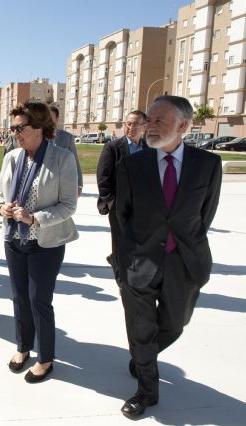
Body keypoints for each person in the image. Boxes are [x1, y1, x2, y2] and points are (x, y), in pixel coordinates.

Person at [115, 96, 222, 418]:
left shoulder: (208, 164)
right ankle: (147, 390)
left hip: (185, 262)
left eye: (160, 120)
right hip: (141, 261)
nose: (151, 125)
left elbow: (205, 216)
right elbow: (122, 217)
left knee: (176, 324)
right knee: (140, 328)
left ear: (183, 126)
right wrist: (124, 262)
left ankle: (142, 356)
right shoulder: (132, 165)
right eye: (150, 119)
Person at [0, 101, 78, 383]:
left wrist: (35, 218)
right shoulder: (12, 157)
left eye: (20, 128)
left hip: (46, 241)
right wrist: (0, 208)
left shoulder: (62, 158)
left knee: (39, 300)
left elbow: (68, 205)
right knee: (19, 298)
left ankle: (45, 359)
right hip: (14, 239)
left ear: (40, 128)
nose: (15, 133)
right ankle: (23, 347)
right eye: (13, 128)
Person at [96, 110, 147, 284]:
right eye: (128, 123)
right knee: (120, 239)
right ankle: (121, 277)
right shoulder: (113, 147)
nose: (131, 128)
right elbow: (103, 176)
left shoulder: (149, 149)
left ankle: (120, 262)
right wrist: (110, 201)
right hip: (118, 204)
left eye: (135, 124)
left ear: (144, 127)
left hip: (141, 205)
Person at [49, 106, 83, 196]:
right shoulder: (38, 137)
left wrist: (79, 185)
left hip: (63, 185)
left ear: (57, 119)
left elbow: (75, 162)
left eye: (50, 119)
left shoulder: (67, 138)